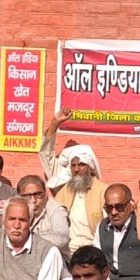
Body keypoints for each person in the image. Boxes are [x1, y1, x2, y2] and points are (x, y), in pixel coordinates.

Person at [40, 109, 108, 254]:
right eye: (73, 165)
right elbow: (46, 155)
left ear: (90, 168)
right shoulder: (63, 186)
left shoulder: (103, 192)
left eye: (82, 165)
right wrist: (55, 123)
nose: (77, 169)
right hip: (65, 251)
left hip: (92, 250)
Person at [92, 184, 140, 280]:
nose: (114, 212)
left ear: (131, 205)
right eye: (109, 208)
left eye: (119, 207)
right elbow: (98, 260)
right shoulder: (102, 227)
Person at [17, 175, 70, 256]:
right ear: (18, 196)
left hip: (53, 258)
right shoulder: (14, 209)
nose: (33, 200)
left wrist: (27, 240)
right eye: (27, 196)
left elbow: (62, 237)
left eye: (38, 195)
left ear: (45, 193)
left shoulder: (57, 209)